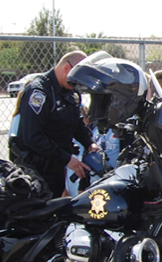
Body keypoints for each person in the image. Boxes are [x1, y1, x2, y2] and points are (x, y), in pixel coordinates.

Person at [11, 51, 98, 197]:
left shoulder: (69, 92)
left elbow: (76, 122)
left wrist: (89, 143)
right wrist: (67, 159)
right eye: (76, 79)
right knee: (39, 212)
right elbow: (33, 136)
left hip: (55, 168)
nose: (77, 85)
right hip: (35, 171)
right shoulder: (39, 92)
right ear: (67, 69)